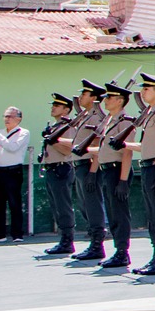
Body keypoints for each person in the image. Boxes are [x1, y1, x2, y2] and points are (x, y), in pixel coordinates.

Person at [125, 73, 155, 276]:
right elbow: (149, 144)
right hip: (147, 166)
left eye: (147, 88)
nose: (143, 92)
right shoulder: (152, 112)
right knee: (152, 215)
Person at [93, 82, 136, 270]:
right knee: (112, 211)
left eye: (110, 97)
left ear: (120, 100)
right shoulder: (111, 120)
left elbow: (127, 152)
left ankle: (122, 251)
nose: (106, 101)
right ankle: (117, 250)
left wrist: (123, 180)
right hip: (107, 170)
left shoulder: (124, 121)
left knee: (119, 212)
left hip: (118, 170)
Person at [65, 80, 106, 262]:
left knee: (92, 205)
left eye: (85, 94)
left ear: (94, 98)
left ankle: (97, 245)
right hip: (79, 165)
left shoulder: (96, 117)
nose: (81, 97)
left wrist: (92, 171)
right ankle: (93, 241)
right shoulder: (86, 116)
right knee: (85, 206)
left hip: (89, 165)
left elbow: (98, 145)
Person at [38, 95, 79, 256]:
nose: (53, 107)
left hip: (61, 168)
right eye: (53, 105)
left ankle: (67, 240)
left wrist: (53, 140)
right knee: (56, 206)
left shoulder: (68, 127)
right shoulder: (56, 126)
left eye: (57, 105)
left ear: (66, 109)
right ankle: (63, 238)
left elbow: (68, 151)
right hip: (51, 169)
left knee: (63, 206)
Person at [0, 107, 30, 241]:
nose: (7, 119)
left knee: (14, 203)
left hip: (12, 171)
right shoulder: (0, 132)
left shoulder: (23, 132)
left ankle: (17, 233)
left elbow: (12, 147)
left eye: (10, 116)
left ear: (19, 119)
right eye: (5, 116)